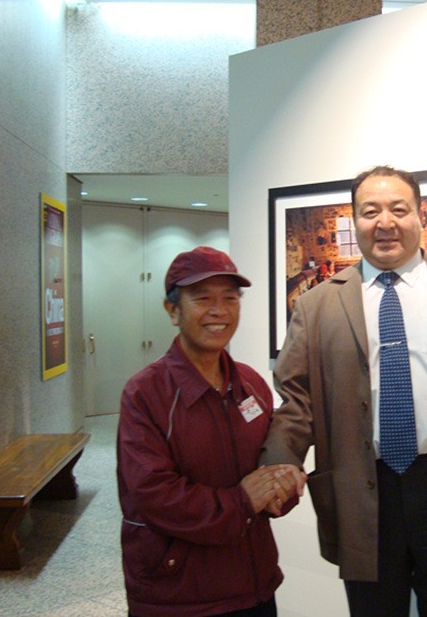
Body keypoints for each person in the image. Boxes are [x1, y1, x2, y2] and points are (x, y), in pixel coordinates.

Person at [261, 166, 427, 616]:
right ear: (355, 221)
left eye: (398, 210)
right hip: (362, 492)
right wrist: (277, 466)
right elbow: (297, 400)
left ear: (420, 216)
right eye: (370, 212)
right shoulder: (316, 305)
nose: (385, 222)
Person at [117, 246, 306, 617]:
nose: (219, 311)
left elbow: (265, 469)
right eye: (203, 299)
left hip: (254, 584)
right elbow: (154, 495)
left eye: (230, 298)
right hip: (180, 595)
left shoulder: (251, 384)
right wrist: (242, 501)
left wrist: (283, 484)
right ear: (172, 311)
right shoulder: (145, 394)